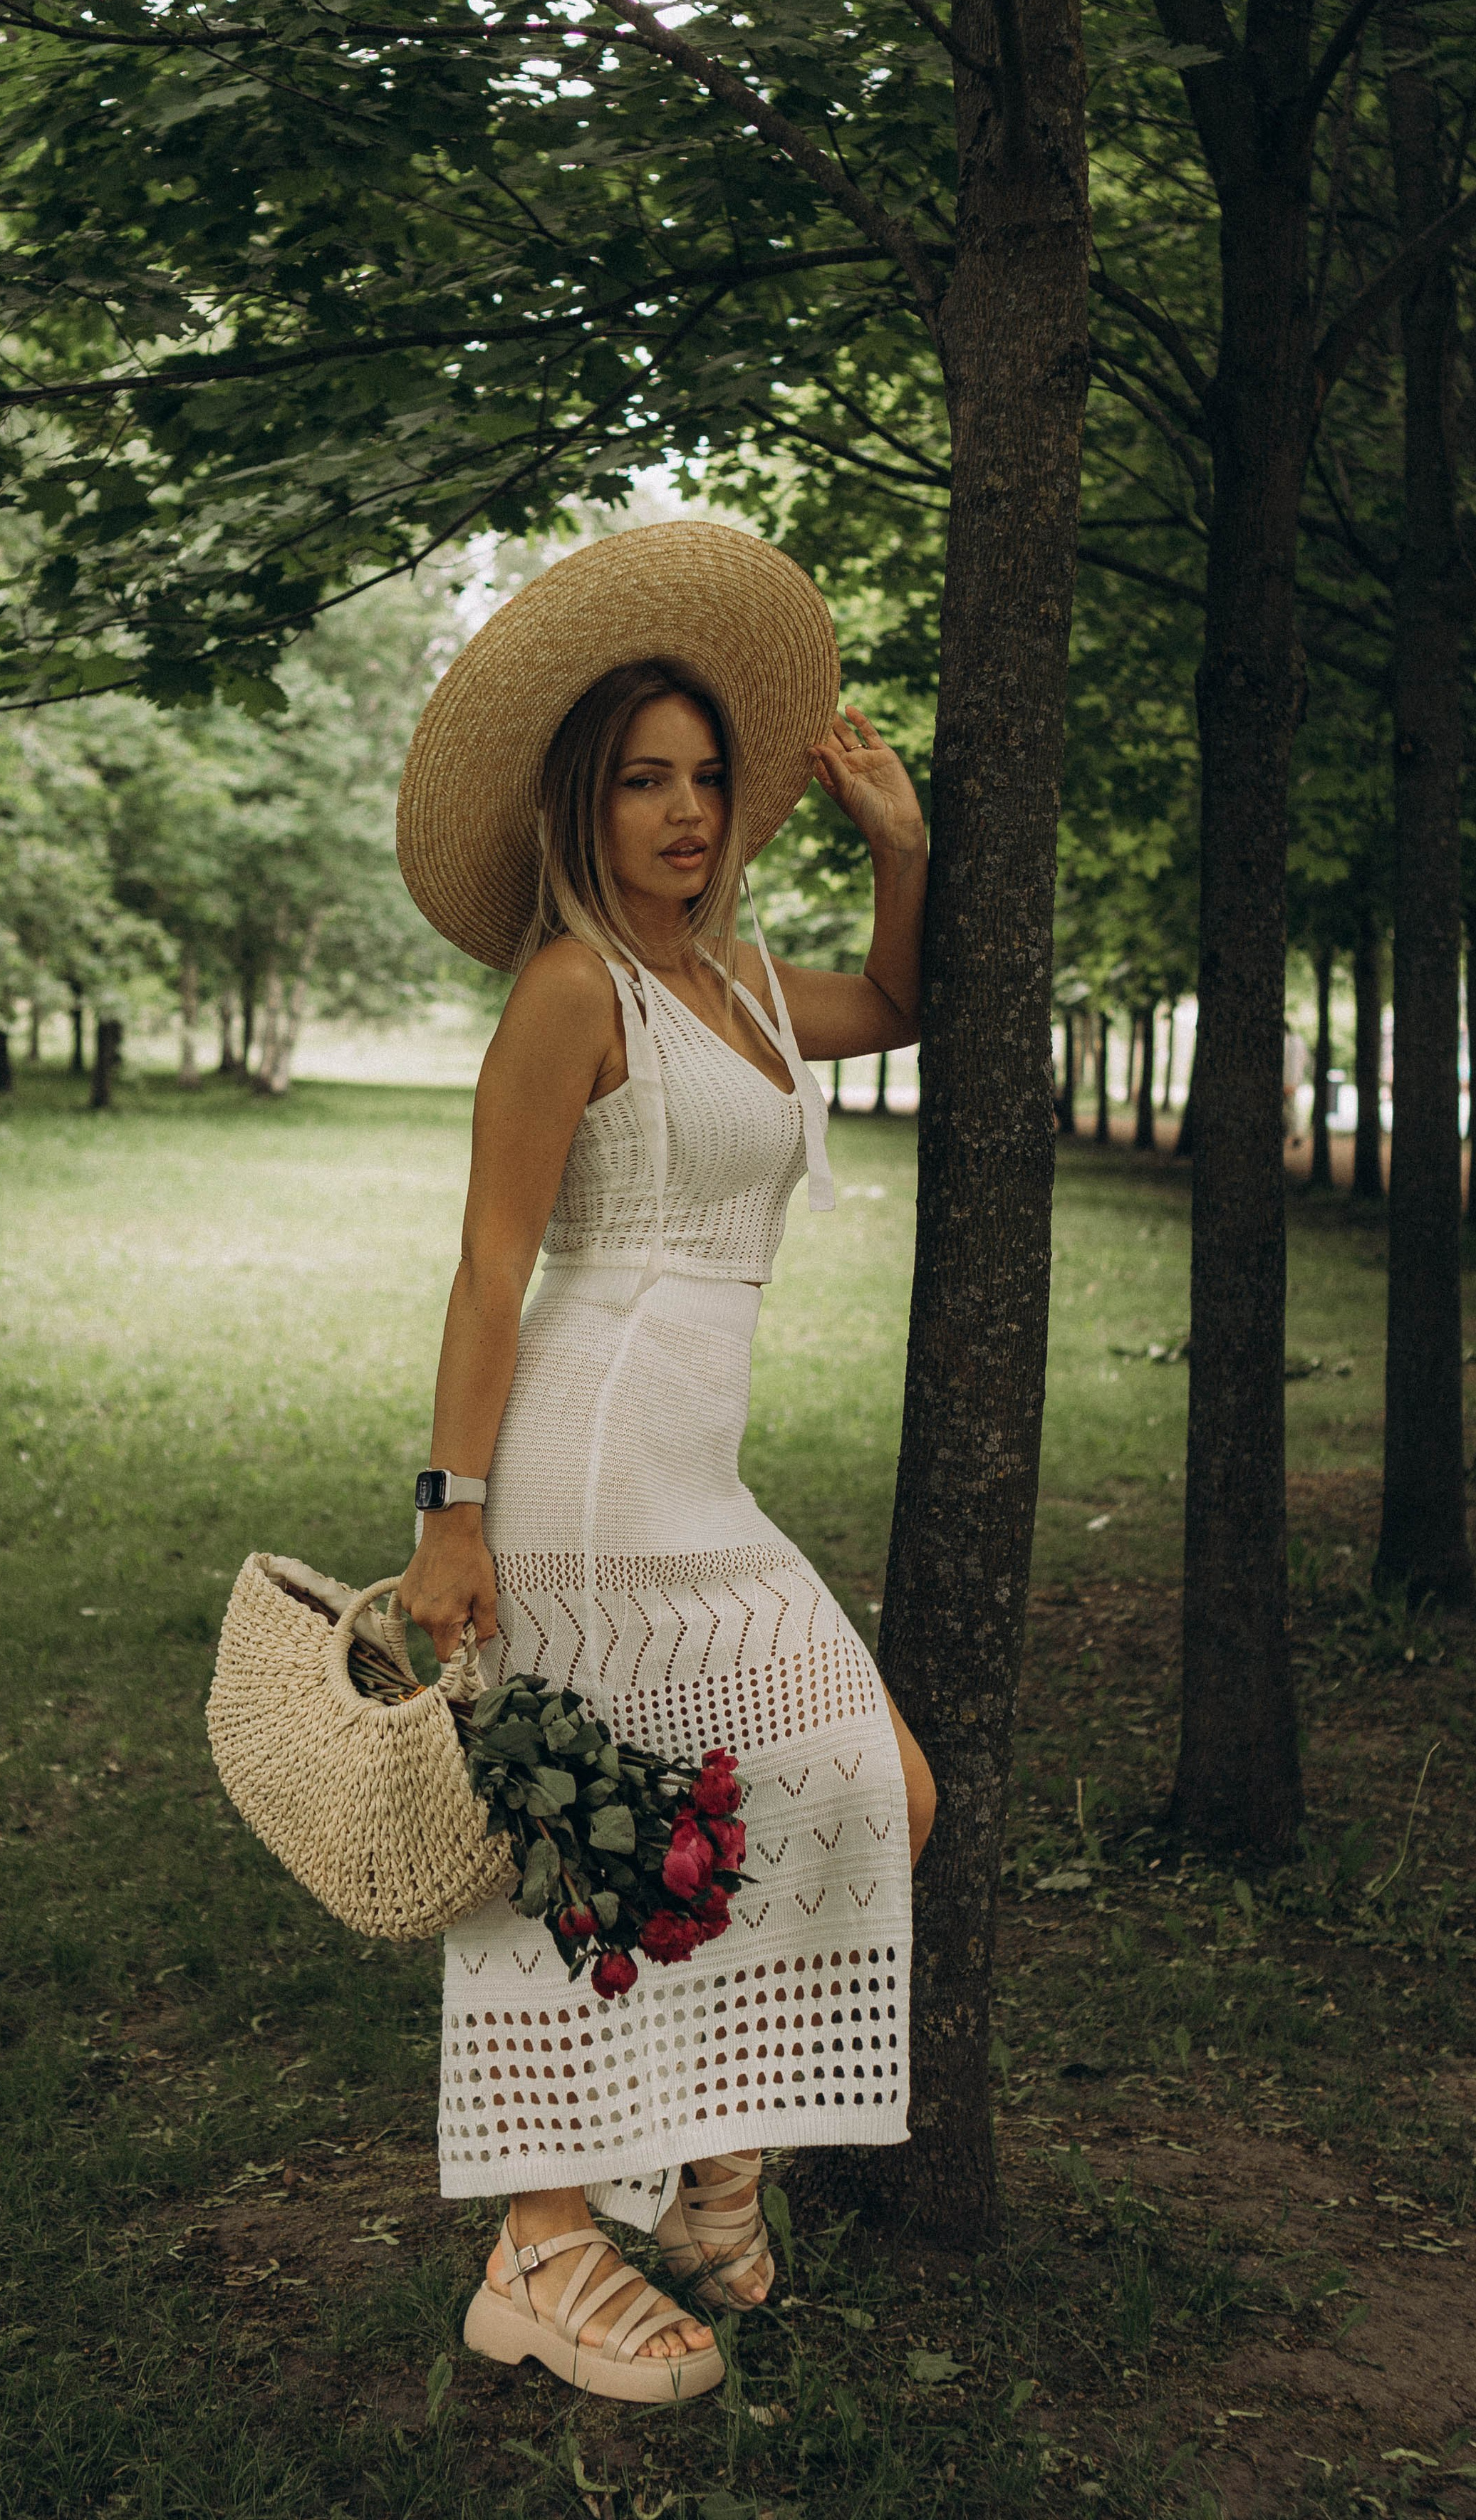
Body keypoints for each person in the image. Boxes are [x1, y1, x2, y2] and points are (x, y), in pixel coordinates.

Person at [395, 522, 936, 2405]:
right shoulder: (573, 992)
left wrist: (902, 849)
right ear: (585, 804)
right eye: (647, 781)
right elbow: (488, 1269)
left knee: (881, 1789)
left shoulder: (747, 984)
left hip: (703, 1472)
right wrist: (448, 1514)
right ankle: (538, 2246)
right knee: (588, 1851)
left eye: (708, 778)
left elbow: (906, 1007)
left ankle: (709, 2180)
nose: (689, 810)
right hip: (592, 1467)